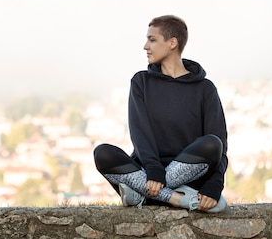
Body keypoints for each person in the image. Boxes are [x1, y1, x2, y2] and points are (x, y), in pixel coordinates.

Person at [93, 15, 228, 212]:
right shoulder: (141, 82)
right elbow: (140, 134)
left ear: (172, 43)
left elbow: (220, 147)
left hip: (187, 174)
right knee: (103, 153)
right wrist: (154, 171)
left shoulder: (205, 88)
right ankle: (176, 198)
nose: (145, 46)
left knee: (212, 143)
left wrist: (215, 184)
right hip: (148, 172)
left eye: (152, 40)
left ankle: (143, 195)